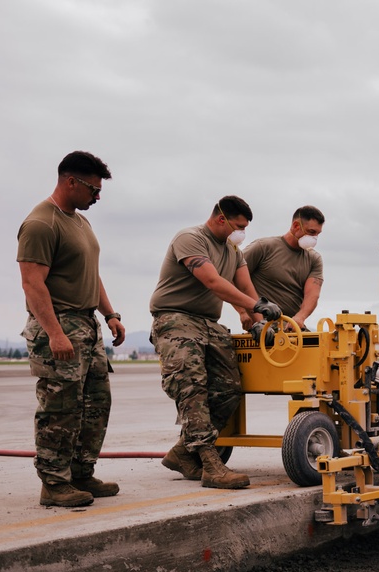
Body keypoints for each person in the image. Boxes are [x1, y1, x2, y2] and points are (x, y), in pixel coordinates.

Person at [149, 195, 282, 489]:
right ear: (220, 219)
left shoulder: (233, 251)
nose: (241, 233)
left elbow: (245, 285)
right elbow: (213, 282)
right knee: (192, 385)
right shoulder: (190, 238)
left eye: (245, 228)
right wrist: (257, 304)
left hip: (208, 323)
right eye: (238, 226)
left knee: (230, 388)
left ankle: (183, 453)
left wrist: (259, 320)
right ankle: (210, 464)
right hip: (175, 319)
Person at [17, 150, 126, 508]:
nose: (97, 196)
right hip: (59, 323)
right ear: (70, 182)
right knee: (60, 407)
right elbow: (33, 284)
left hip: (87, 324)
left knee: (97, 403)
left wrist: (110, 314)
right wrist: (55, 333)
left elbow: (90, 275)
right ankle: (54, 483)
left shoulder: (80, 222)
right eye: (93, 189)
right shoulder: (41, 224)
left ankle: (81, 473)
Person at [238, 205, 325, 333]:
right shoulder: (263, 247)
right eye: (311, 232)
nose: (314, 238)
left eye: (318, 233)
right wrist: (243, 312)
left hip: (292, 326)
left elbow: (312, 294)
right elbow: (231, 277)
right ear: (296, 226)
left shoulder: (314, 258)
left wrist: (300, 317)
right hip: (264, 326)